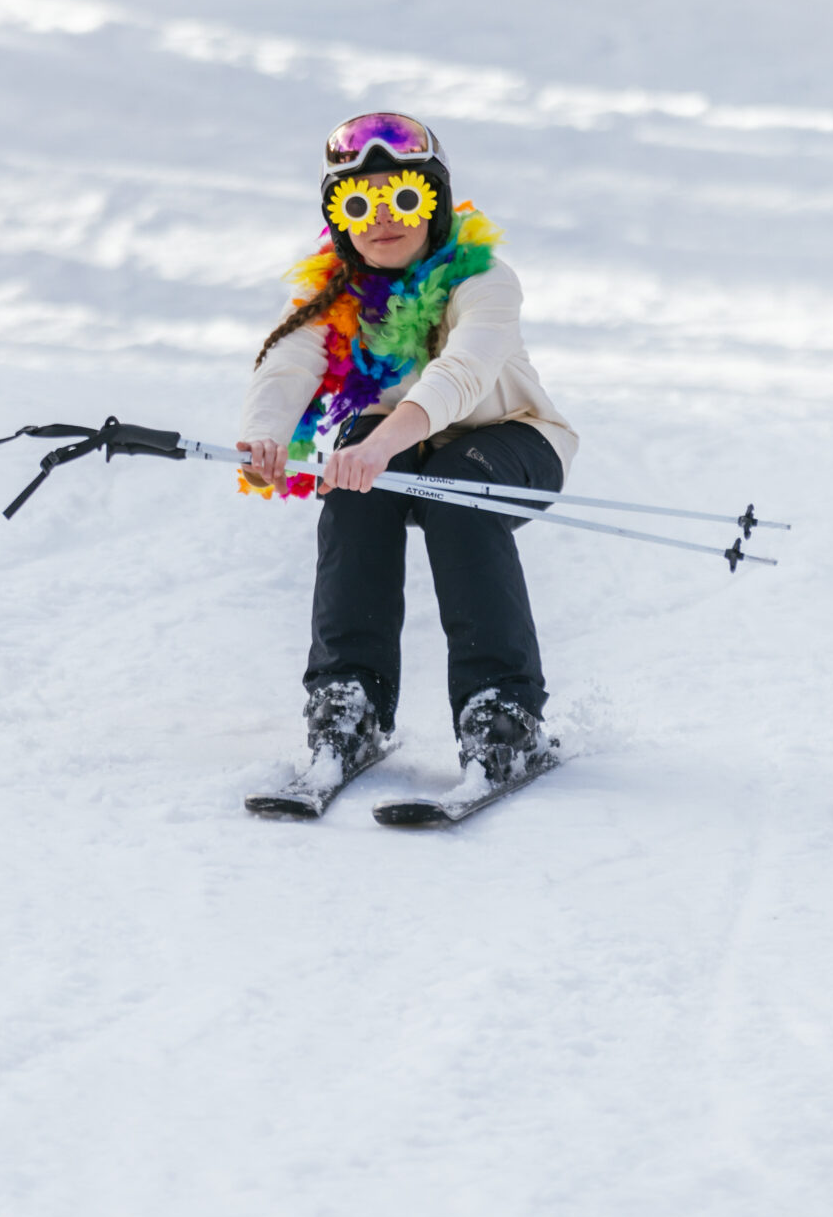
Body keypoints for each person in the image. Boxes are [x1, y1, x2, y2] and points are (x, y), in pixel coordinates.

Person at [237, 112, 579, 790]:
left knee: (453, 485)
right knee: (356, 482)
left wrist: (383, 442)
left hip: (512, 438)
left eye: (403, 198)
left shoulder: (486, 279)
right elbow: (290, 362)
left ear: (436, 204)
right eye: (357, 205)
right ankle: (349, 699)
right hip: (399, 448)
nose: (380, 219)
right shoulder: (333, 289)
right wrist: (267, 434)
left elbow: (464, 371)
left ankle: (502, 710)